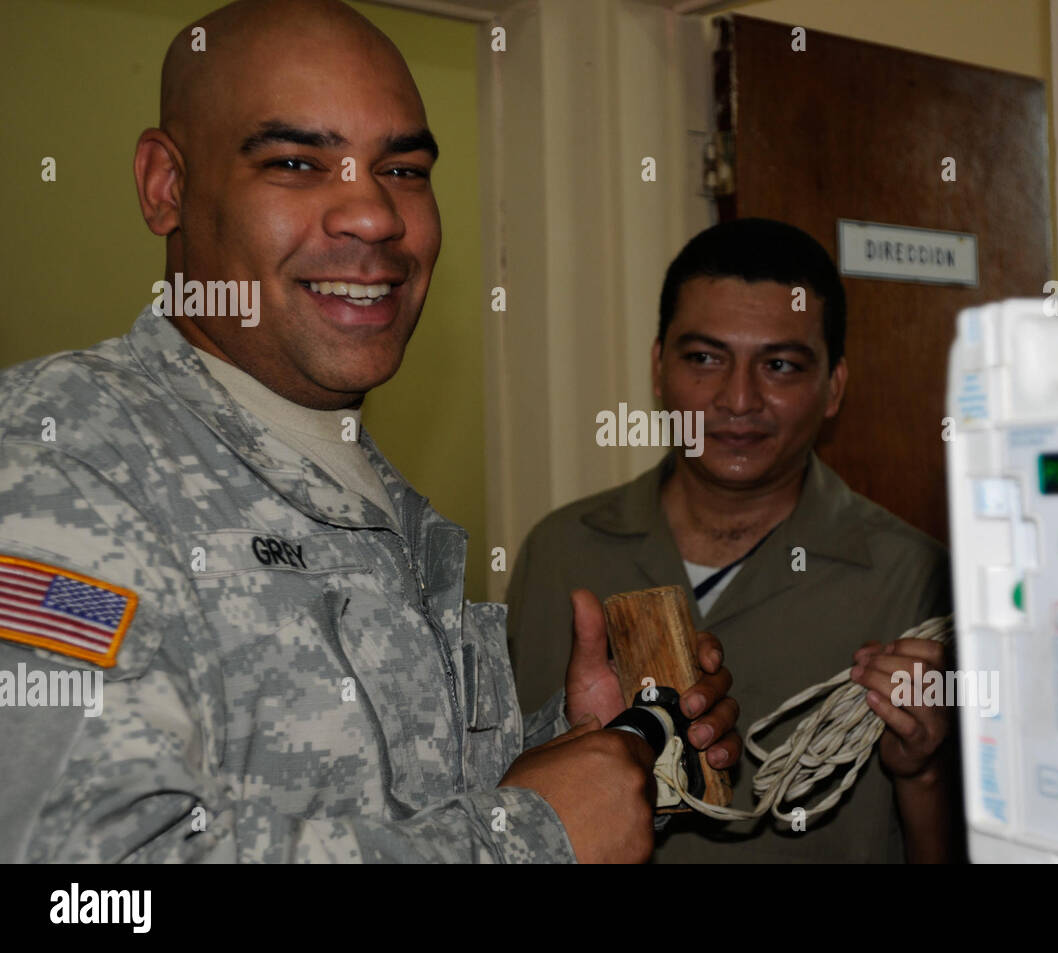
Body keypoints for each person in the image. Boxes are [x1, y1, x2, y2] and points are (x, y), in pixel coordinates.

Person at [0, 0, 741, 864]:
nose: (375, 217)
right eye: (295, 161)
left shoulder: (369, 491)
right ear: (167, 185)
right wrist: (530, 838)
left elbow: (389, 803)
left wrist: (590, 751)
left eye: (402, 170)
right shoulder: (62, 462)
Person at [509, 218, 962, 862]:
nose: (738, 399)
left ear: (833, 387)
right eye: (705, 359)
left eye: (778, 365)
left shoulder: (918, 580)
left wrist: (923, 770)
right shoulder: (559, 553)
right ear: (657, 369)